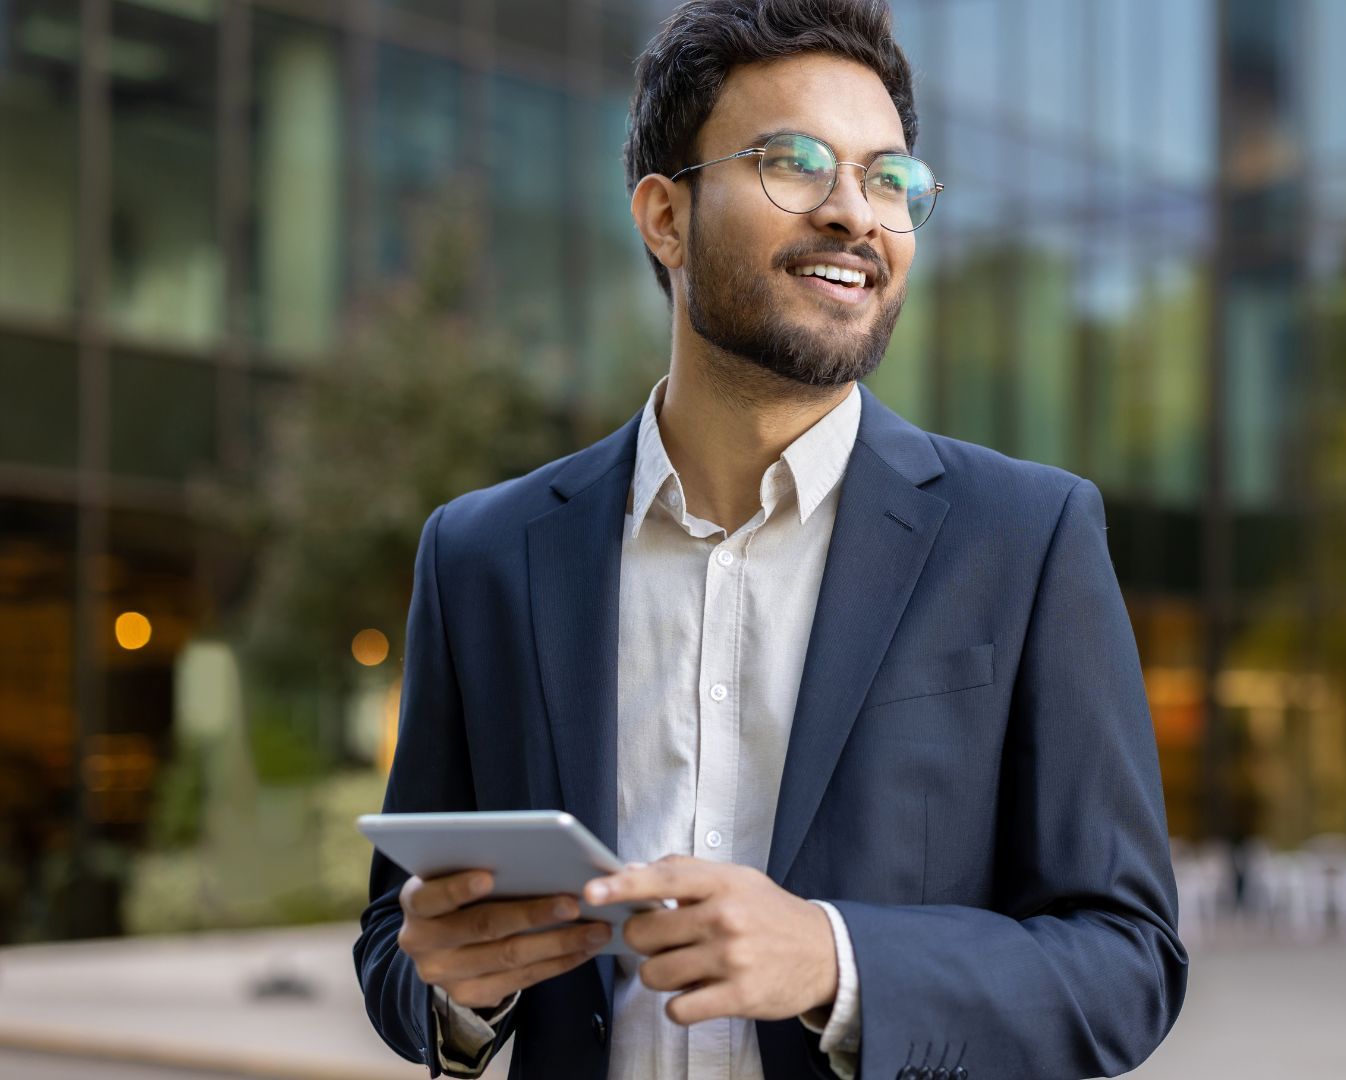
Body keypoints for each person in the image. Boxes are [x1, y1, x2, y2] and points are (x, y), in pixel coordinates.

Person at [351, 1, 1186, 1077]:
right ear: (664, 218)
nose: (855, 214)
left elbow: (1127, 965)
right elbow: (395, 947)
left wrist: (838, 960)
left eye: (891, 181)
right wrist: (460, 988)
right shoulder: (481, 554)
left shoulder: (1027, 541)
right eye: (794, 162)